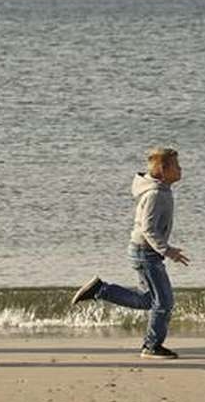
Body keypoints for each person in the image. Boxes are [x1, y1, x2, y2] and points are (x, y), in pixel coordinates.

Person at [70, 146, 189, 359]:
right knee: (164, 302)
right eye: (177, 166)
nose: (181, 170)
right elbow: (147, 228)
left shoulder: (161, 191)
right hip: (146, 253)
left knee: (147, 300)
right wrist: (167, 250)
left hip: (145, 252)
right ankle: (152, 346)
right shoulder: (154, 194)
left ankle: (100, 290)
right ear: (163, 169)